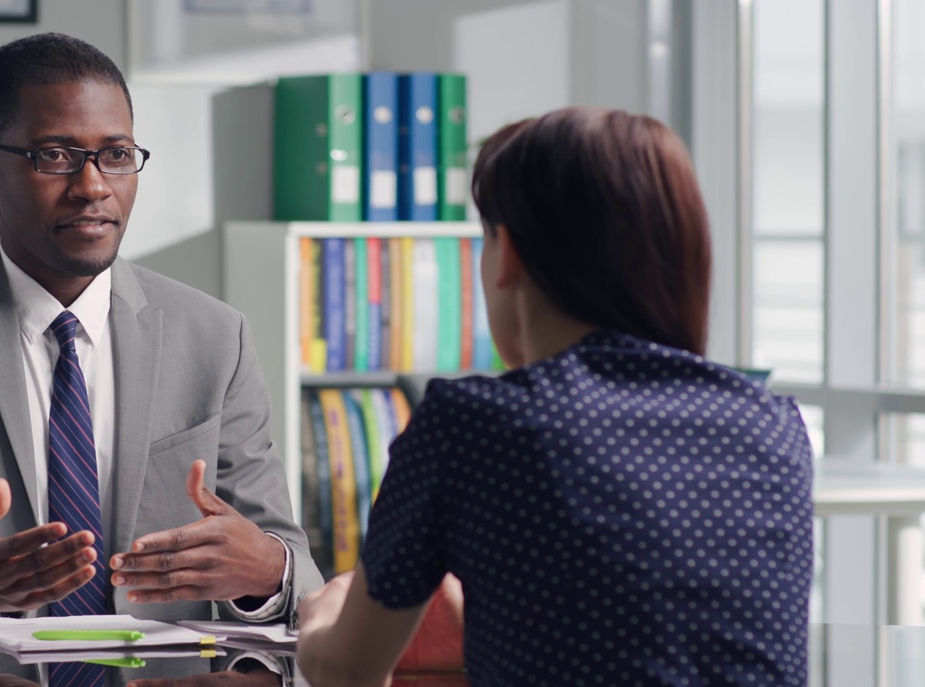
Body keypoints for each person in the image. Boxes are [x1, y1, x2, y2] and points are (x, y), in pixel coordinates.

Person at [0, 32, 322, 637]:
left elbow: (293, 573)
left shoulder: (214, 335)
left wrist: (267, 570)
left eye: (116, 154)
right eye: (55, 155)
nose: (92, 186)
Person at [297, 107, 814, 686]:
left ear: (508, 254)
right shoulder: (773, 424)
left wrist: (320, 615)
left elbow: (347, 671)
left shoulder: (474, 424)